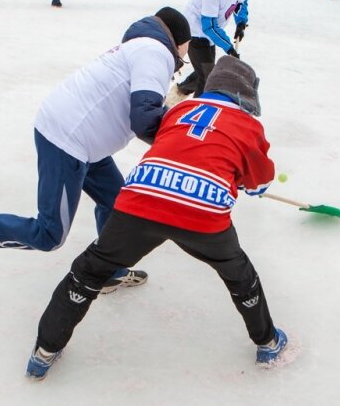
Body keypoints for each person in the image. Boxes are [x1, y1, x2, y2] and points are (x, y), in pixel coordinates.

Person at [25, 56, 289, 380]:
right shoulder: (248, 125)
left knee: (88, 272)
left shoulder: (179, 109)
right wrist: (243, 181)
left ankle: (44, 351)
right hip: (202, 213)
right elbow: (259, 183)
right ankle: (268, 342)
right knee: (240, 276)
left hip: (141, 200)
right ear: (247, 93)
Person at [0, 8, 192, 287]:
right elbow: (145, 118)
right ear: (179, 40)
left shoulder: (141, 45)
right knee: (49, 234)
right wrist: (186, 143)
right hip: (68, 140)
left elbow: (144, 108)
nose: (187, 54)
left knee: (116, 203)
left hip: (81, 137)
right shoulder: (157, 53)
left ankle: (108, 270)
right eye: (188, 45)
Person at [173, 0, 253, 99]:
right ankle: (197, 113)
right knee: (208, 78)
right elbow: (208, 26)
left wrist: (241, 23)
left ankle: (179, 93)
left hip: (210, 35)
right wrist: (228, 47)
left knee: (205, 71)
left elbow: (241, 2)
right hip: (195, 33)